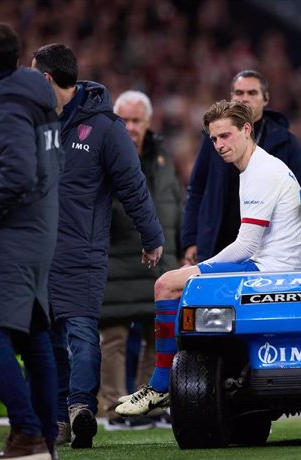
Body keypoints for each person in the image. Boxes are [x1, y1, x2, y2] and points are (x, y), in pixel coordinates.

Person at [116, 100, 301, 416]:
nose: (220, 145)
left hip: (269, 271)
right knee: (182, 282)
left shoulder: (262, 172)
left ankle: (162, 383)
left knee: (167, 284)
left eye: (226, 136)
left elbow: (245, 248)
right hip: (274, 264)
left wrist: (198, 267)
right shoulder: (256, 167)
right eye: (214, 139)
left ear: (246, 130)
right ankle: (175, 379)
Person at [31, 44, 164, 448]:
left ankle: (77, 408)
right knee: (49, 336)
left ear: (48, 78)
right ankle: (63, 416)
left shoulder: (105, 127)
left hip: (81, 250)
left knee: (81, 330)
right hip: (37, 254)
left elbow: (132, 185)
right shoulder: (33, 123)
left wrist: (152, 235)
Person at [0, 23, 62, 460]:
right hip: (36, 233)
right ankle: (43, 438)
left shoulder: (4, 107)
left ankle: (28, 434)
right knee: (33, 338)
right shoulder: (36, 100)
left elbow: (18, 174)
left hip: (8, 237)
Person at [99, 90, 182, 430]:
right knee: (114, 338)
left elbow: (173, 205)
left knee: (157, 335)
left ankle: (148, 404)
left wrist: (179, 248)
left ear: (148, 123)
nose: (130, 127)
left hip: (159, 262)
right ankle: (113, 406)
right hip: (115, 260)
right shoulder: (101, 154)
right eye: (125, 120)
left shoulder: (163, 157)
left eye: (136, 120)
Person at [182, 69, 301, 265]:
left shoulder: (285, 141)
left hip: (262, 251)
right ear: (231, 97)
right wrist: (190, 240)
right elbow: (196, 190)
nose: (244, 98)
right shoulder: (213, 139)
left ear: (266, 98)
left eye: (252, 93)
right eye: (239, 93)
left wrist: (299, 239)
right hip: (216, 241)